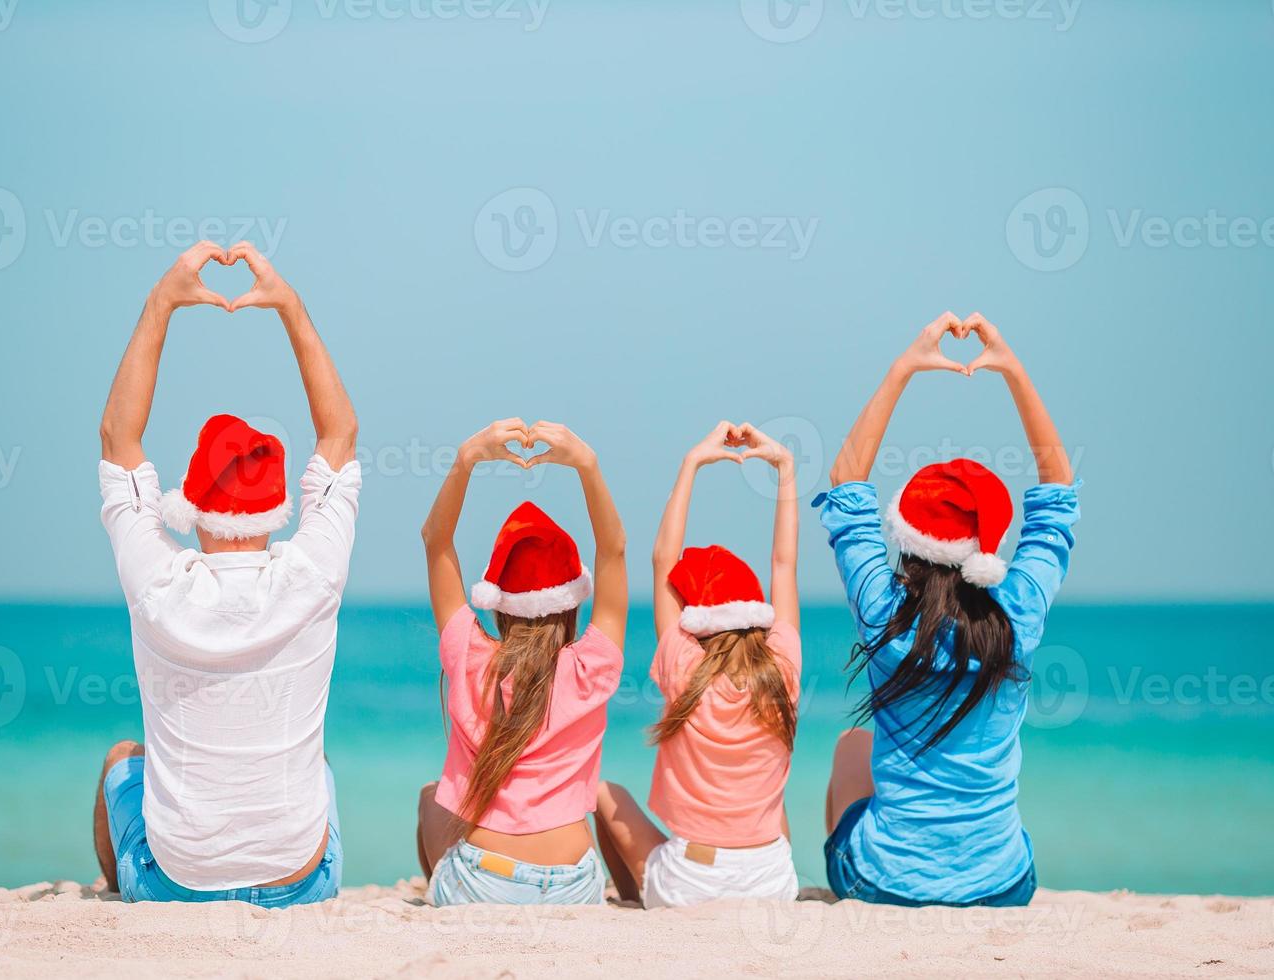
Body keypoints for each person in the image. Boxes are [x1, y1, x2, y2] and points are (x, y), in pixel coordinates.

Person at [93, 242, 360, 906]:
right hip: (298, 885)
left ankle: (123, 893)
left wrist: (162, 302)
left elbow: (118, 442)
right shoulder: (313, 573)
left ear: (191, 507)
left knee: (121, 759)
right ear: (277, 508)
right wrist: (291, 307)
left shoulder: (159, 583)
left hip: (177, 888)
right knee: (317, 772)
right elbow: (340, 436)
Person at [818, 311, 1079, 907]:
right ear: (989, 548)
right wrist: (1013, 370)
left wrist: (902, 369)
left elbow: (846, 484)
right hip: (1005, 886)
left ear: (907, 542)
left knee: (851, 745)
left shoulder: (885, 617)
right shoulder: (1017, 618)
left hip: (883, 884)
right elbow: (1058, 495)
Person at [415, 419, 627, 905]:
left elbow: (436, 540)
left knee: (431, 799)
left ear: (496, 602)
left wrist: (467, 456)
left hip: (483, 882)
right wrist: (587, 466)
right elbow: (613, 551)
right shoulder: (592, 665)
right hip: (574, 886)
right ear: (572, 601)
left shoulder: (470, 656)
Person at [591, 422, 803, 907]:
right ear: (756, 613)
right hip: (773, 881)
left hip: (691, 881)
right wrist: (785, 468)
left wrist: (693, 463)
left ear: (696, 619)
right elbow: (785, 563)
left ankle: (635, 898)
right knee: (771, 788)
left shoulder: (683, 666)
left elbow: (663, 560)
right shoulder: (783, 665)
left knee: (605, 791)